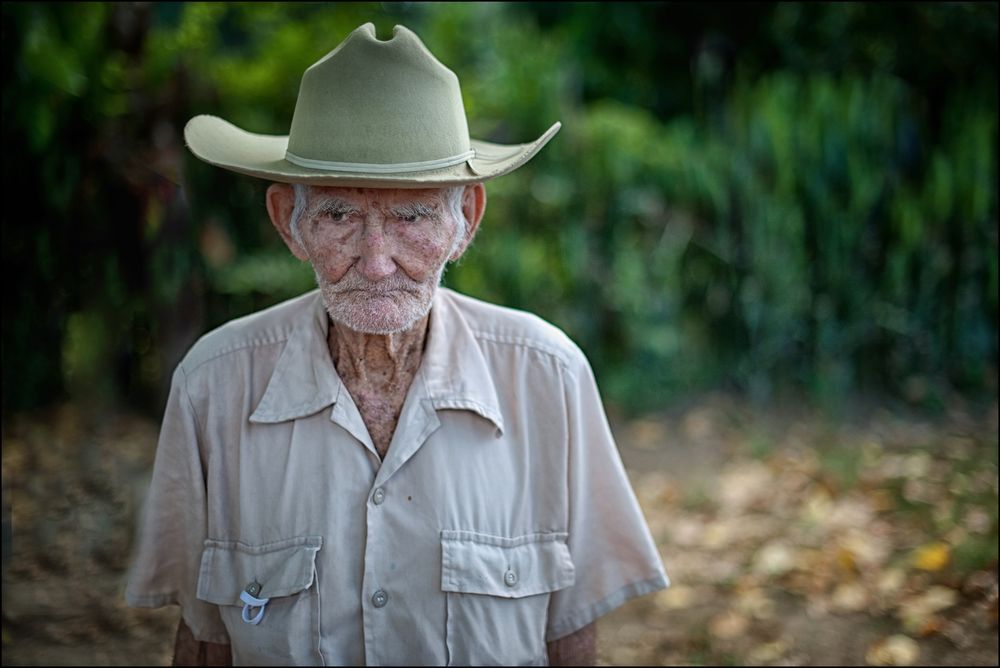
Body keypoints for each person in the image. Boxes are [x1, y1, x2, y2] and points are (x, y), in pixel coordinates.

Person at [125, 22, 669, 666]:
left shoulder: (547, 377)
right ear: (287, 223)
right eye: (339, 216)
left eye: (411, 217)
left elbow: (571, 637)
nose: (377, 262)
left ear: (465, 219)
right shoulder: (213, 387)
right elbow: (203, 641)